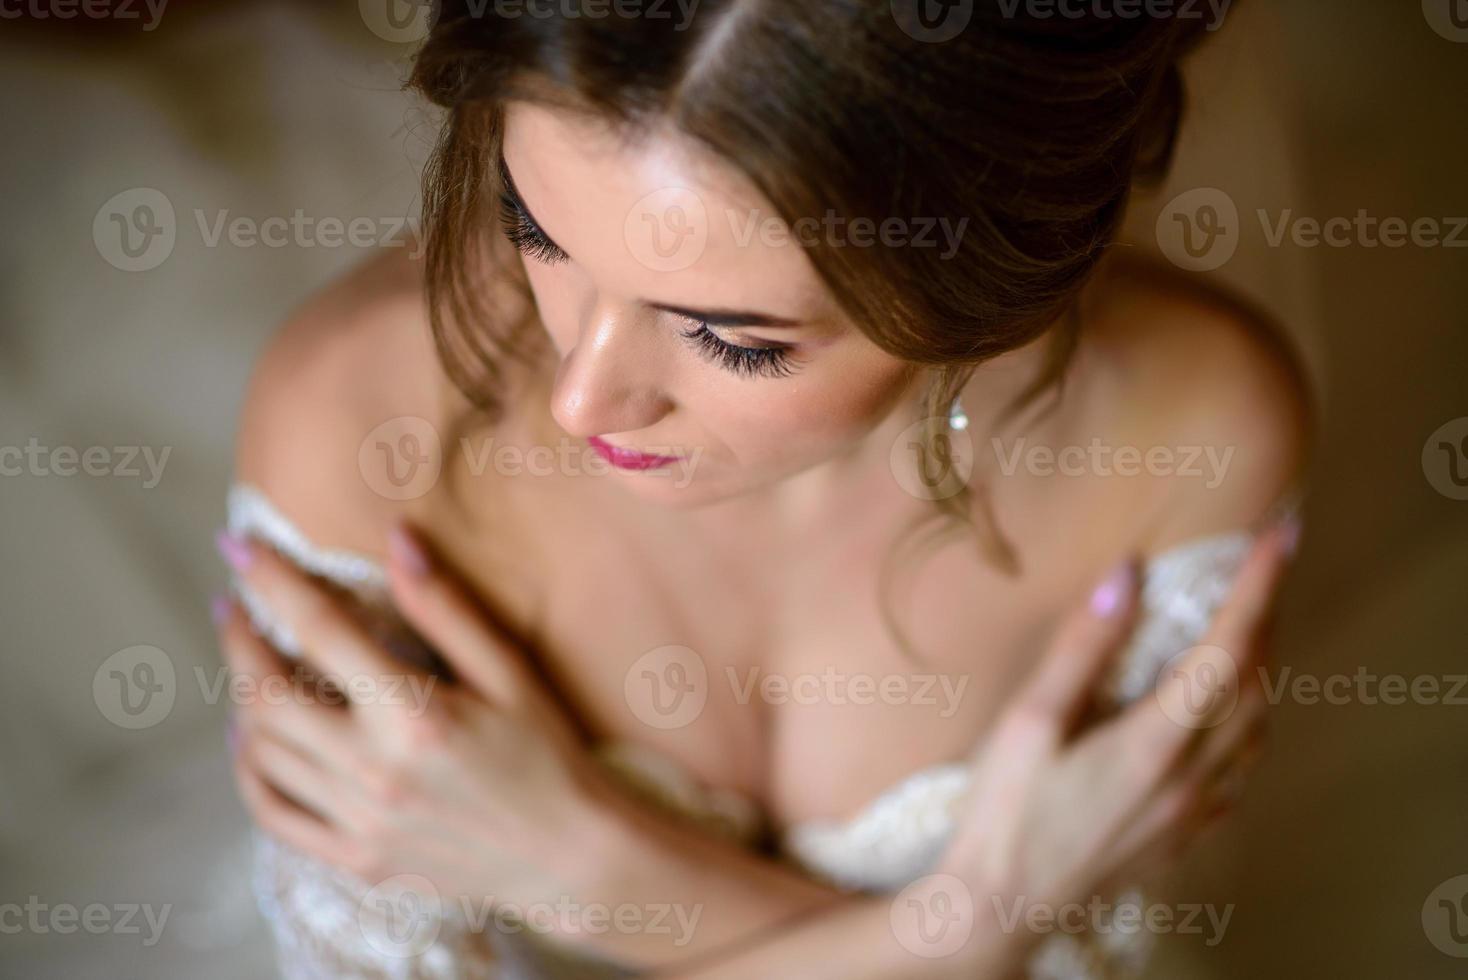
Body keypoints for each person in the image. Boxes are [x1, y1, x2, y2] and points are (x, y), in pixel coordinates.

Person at [215, 2, 1312, 976]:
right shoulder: (356, 431)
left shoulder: (1188, 438)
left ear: (976, 296)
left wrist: (590, 868)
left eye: (728, 337)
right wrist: (974, 926)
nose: (583, 398)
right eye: (532, 228)